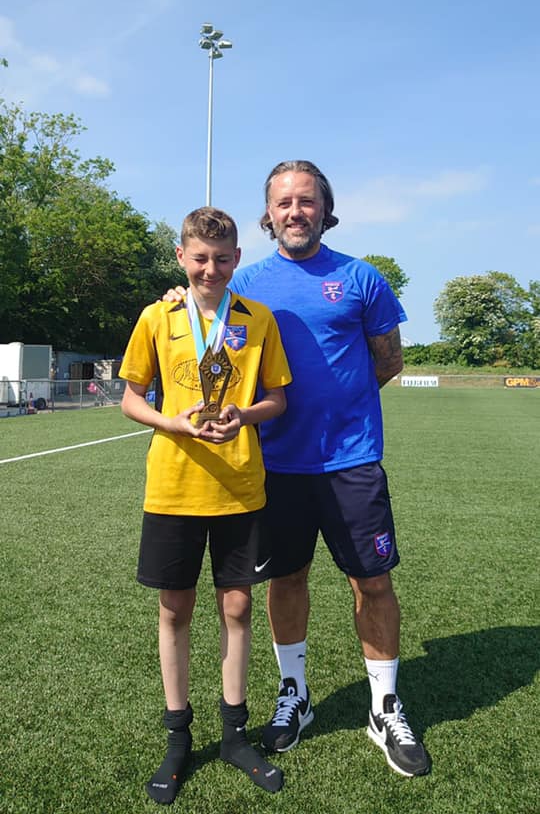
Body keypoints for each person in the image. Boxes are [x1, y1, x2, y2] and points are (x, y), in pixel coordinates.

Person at [164, 161, 431, 779]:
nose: (294, 211)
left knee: (373, 583)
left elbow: (386, 361)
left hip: (352, 461)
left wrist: (342, 410)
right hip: (276, 465)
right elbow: (200, 313)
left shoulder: (362, 279)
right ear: (268, 214)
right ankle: (296, 694)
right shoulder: (245, 283)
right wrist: (179, 295)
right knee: (286, 581)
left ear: (324, 209)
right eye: (282, 202)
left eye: (306, 201)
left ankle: (383, 706)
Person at [120, 207, 292, 804]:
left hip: (241, 485)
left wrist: (244, 414)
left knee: (239, 605)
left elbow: (277, 398)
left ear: (237, 259)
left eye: (222, 258)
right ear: (181, 258)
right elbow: (130, 398)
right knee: (174, 607)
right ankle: (177, 738)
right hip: (173, 483)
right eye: (199, 258)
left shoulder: (259, 319)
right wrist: (172, 422)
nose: (210, 268)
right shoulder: (157, 316)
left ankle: (234, 735)